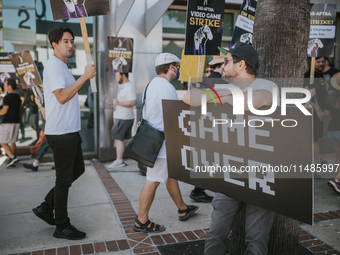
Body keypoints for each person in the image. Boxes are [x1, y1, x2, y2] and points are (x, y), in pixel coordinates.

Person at [183, 42, 277, 255]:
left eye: (226, 61)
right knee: (216, 233)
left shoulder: (267, 85)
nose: (222, 66)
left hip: (261, 175)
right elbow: (190, 97)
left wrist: (220, 98)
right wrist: (221, 96)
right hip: (230, 172)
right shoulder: (227, 88)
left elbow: (254, 100)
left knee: (256, 240)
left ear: (241, 64)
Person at [32, 27, 96, 240]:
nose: (70, 45)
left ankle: (46, 207)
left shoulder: (61, 67)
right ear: (55, 44)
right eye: (65, 41)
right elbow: (61, 97)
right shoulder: (54, 66)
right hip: (62, 133)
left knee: (76, 171)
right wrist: (85, 77)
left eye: (72, 41)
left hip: (68, 130)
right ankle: (62, 225)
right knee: (64, 179)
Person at [134, 53, 198, 233]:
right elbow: (173, 118)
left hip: (152, 140)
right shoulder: (166, 87)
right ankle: (141, 221)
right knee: (152, 181)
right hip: (160, 144)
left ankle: (183, 208)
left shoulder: (151, 85)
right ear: (171, 67)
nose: (177, 70)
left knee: (170, 177)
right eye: (176, 66)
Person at [304, 57, 331, 164]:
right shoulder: (309, 75)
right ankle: (314, 163)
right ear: (312, 63)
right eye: (318, 62)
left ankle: (317, 160)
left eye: (322, 61)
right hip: (313, 112)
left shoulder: (320, 74)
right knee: (314, 139)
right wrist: (318, 110)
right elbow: (308, 94)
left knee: (318, 138)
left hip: (320, 112)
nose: (321, 64)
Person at [107, 72, 136, 169]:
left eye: (117, 75)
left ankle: (119, 160)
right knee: (127, 138)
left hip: (124, 117)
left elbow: (133, 102)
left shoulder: (129, 87)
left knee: (119, 138)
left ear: (123, 75)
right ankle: (144, 150)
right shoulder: (123, 86)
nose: (116, 77)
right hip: (121, 116)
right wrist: (115, 115)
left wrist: (118, 103)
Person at [23, 97, 49, 172]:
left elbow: (46, 115)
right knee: (46, 146)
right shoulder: (46, 96)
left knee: (45, 146)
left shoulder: (50, 96)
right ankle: (35, 164)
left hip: (50, 128)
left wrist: (39, 105)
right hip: (48, 127)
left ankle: (35, 164)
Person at [0, 79, 22, 167]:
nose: (4, 86)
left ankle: (12, 157)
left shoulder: (7, 97)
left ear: (9, 86)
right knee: (13, 141)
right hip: (16, 121)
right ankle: (12, 159)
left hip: (8, 122)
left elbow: (4, 111)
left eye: (5, 84)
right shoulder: (17, 97)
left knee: (2, 141)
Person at [326, 73, 340, 194]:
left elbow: (327, 114)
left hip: (331, 130)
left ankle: (336, 177)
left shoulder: (331, 97)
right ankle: (336, 179)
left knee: (338, 155)